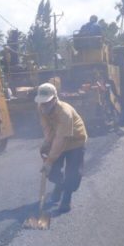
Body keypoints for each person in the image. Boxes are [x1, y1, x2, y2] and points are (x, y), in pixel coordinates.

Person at [35, 82, 88, 213]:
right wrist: (46, 144)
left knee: (73, 174)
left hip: (75, 141)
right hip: (59, 139)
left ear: (55, 98)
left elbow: (61, 139)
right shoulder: (41, 108)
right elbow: (47, 129)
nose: (44, 105)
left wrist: (49, 160)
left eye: (46, 102)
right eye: (42, 102)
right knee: (52, 172)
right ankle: (60, 185)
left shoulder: (65, 112)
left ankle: (66, 198)